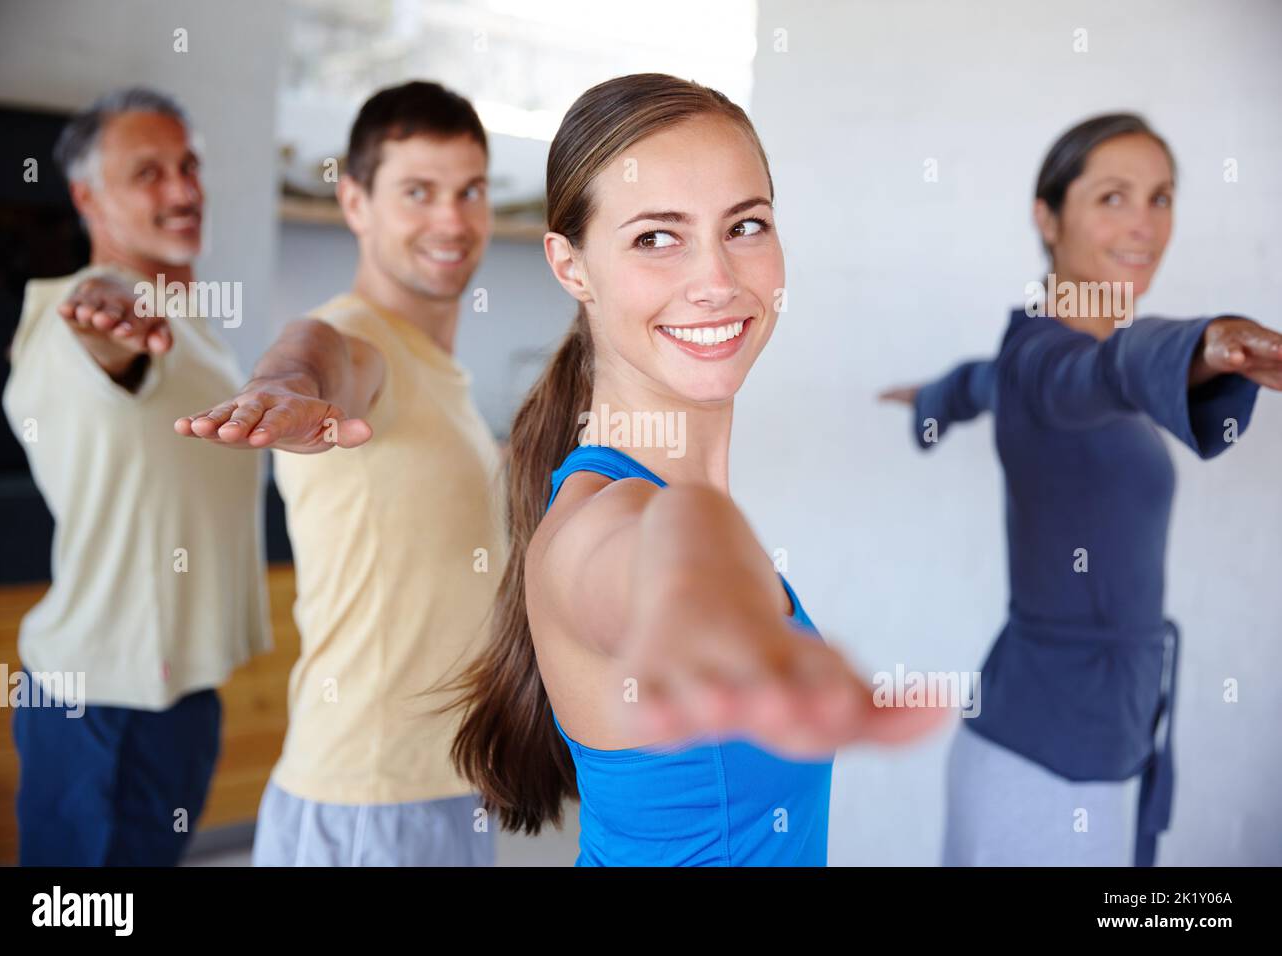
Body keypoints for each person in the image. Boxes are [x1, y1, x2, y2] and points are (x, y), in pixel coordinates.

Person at [445, 73, 947, 867]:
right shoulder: (598, 526)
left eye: (745, 225)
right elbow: (655, 564)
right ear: (571, 267)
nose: (716, 280)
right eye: (655, 237)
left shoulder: (645, 496)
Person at [880, 113, 1282, 866]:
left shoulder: (1026, 355)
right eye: (1113, 197)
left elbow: (989, 381)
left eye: (1161, 198)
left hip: (1089, 740)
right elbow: (1095, 374)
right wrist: (1202, 345)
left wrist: (936, 394)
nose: (1145, 225)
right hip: (1044, 766)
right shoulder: (1055, 360)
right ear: (1047, 215)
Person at [175, 81, 502, 867]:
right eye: (417, 192)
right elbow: (316, 349)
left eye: (471, 190)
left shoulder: (442, 375)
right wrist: (287, 384)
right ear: (355, 202)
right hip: (369, 807)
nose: (452, 220)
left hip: (449, 789)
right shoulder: (358, 340)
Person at [1, 87, 272, 866]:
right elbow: (101, 332)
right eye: (147, 173)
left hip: (180, 693)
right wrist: (109, 309)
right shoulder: (69, 322)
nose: (183, 190)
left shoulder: (191, 331)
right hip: (100, 702)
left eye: (188, 166)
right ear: (87, 197)